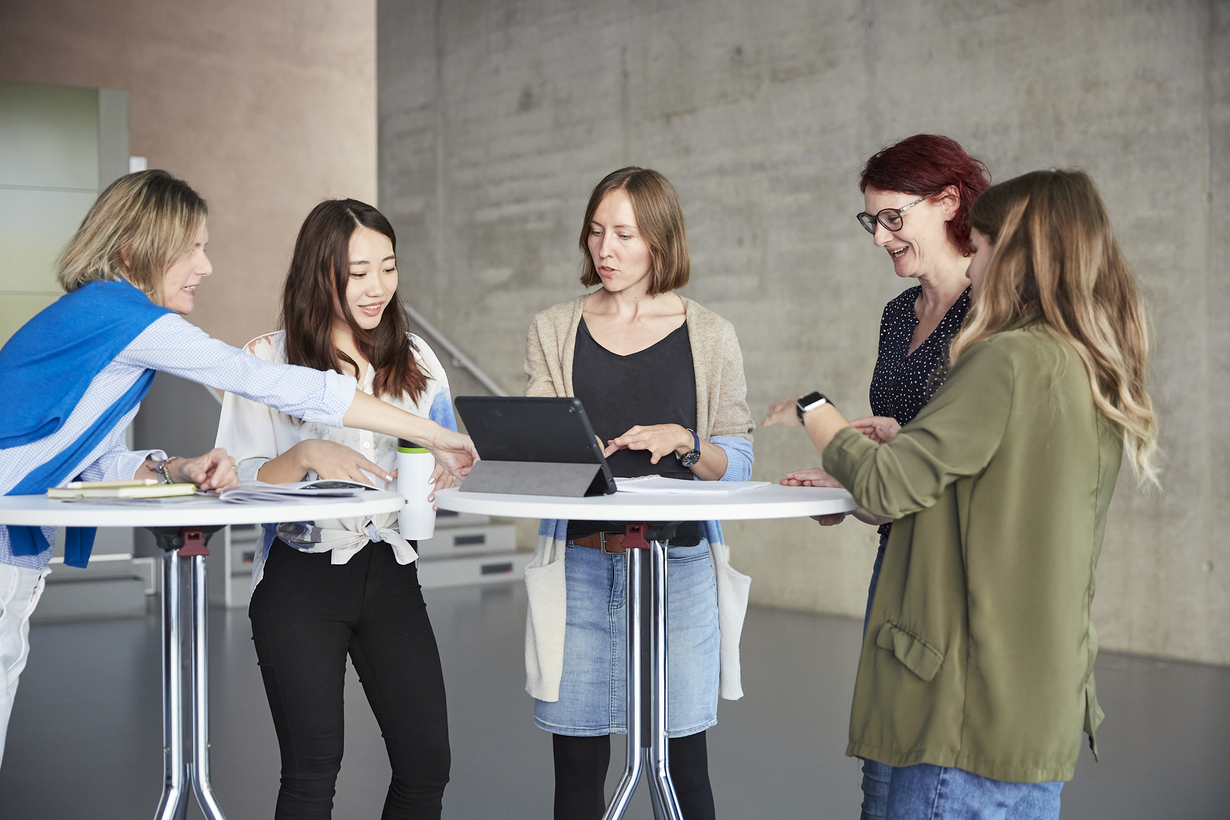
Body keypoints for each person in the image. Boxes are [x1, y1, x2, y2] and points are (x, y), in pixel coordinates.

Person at [0, 170, 476, 771]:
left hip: (390, 568)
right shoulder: (124, 318)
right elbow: (259, 380)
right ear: (135, 250)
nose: (205, 266)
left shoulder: (105, 326)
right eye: (193, 248)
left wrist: (173, 466)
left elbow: (87, 460)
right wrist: (431, 434)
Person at [764, 169, 1159, 819]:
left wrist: (816, 411)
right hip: (1037, 702)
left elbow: (890, 489)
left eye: (977, 248)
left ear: (1015, 254)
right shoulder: (1089, 364)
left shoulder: (1004, 358)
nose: (970, 267)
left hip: (966, 714)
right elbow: (999, 487)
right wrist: (911, 437)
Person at [522, 167, 755, 820]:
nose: (606, 249)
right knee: (576, 770)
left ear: (659, 238)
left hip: (678, 566)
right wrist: (568, 448)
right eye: (596, 232)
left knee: (685, 768)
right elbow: (539, 448)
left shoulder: (710, 335)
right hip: (580, 564)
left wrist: (686, 440)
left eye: (624, 233)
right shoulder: (553, 328)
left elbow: (736, 461)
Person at [215, 199, 454, 819]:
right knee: (312, 771)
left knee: (427, 765)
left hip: (393, 572)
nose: (378, 288)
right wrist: (304, 456)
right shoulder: (266, 359)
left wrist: (448, 469)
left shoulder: (418, 360)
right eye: (358, 272)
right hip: (301, 578)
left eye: (389, 268)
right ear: (320, 274)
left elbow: (448, 447)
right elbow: (231, 479)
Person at [780, 134, 990, 820]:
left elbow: (967, 461)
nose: (879, 238)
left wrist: (843, 430)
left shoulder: (994, 316)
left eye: (892, 218)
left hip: (959, 577)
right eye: (872, 222)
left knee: (933, 773)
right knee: (881, 769)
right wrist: (849, 488)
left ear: (949, 202)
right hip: (897, 562)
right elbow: (899, 469)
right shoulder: (899, 315)